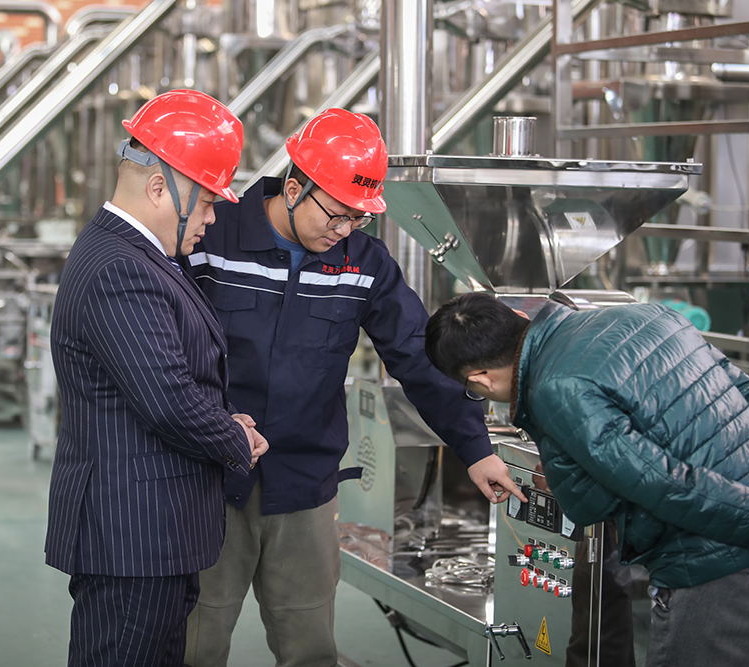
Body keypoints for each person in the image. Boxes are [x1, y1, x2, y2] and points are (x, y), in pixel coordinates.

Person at [180, 107, 525, 667]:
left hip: (305, 484)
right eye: (337, 215)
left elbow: (418, 357)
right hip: (210, 480)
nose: (343, 231)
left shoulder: (364, 264)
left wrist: (476, 447)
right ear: (294, 188)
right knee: (195, 640)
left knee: (310, 647)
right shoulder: (213, 238)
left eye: (358, 219)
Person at [424, 292, 749, 667]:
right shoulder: (647, 315)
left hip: (720, 568)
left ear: (480, 378)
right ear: (517, 315)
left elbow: (666, 486)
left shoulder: (555, 388)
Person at [45, 89, 268, 667]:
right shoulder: (122, 268)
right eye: (208, 203)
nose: (212, 219)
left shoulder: (136, 256)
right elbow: (167, 399)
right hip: (133, 540)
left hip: (150, 537)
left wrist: (223, 417)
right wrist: (234, 437)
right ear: (158, 188)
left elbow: (165, 376)